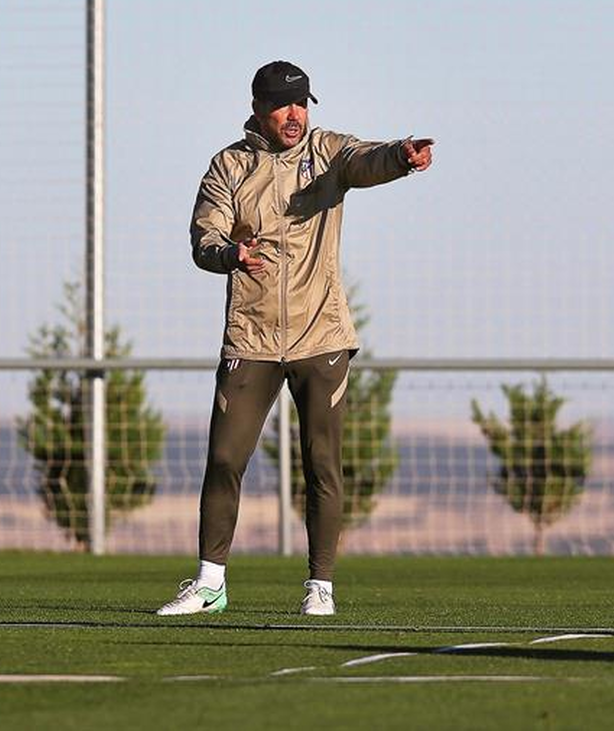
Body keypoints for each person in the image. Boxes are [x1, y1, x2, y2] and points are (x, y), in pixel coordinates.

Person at [155, 60, 433, 617]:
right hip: (251, 338)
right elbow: (204, 239)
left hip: (321, 335)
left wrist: (401, 156)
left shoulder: (327, 152)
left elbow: (365, 159)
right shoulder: (229, 165)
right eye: (284, 104)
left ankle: (320, 587)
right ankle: (210, 584)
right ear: (258, 108)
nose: (295, 115)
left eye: (302, 104)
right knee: (224, 459)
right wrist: (231, 254)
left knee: (321, 464)